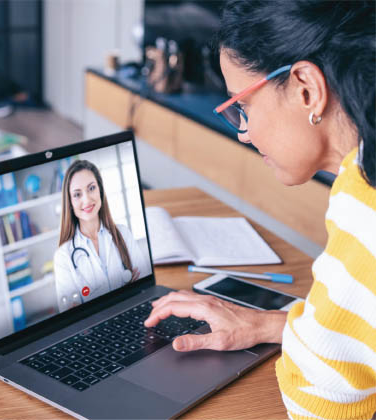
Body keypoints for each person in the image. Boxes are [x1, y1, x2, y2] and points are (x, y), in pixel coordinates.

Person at [145, 1, 376, 419]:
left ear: (307, 88)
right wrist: (275, 325)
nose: (245, 133)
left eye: (244, 106)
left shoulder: (365, 209)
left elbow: (319, 404)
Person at [53, 159, 150, 312]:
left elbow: (145, 289)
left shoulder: (123, 233)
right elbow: (71, 314)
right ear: (70, 203)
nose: (87, 199)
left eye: (91, 188)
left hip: (134, 314)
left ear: (100, 190)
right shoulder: (63, 257)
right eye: (77, 194)